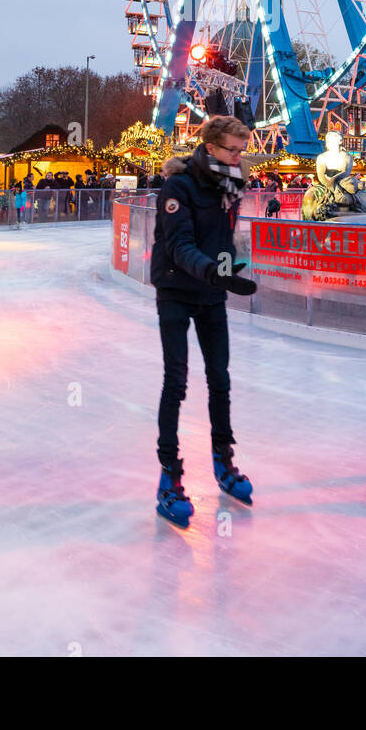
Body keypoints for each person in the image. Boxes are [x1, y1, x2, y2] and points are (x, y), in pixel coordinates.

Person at [150, 116, 259, 528]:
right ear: (210, 147)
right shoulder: (179, 187)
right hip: (177, 290)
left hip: (211, 293)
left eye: (241, 149)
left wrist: (228, 270)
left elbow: (221, 244)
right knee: (176, 380)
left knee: (220, 379)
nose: (238, 156)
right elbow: (178, 245)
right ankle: (169, 475)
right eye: (233, 149)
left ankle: (223, 461)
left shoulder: (229, 188)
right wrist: (214, 272)